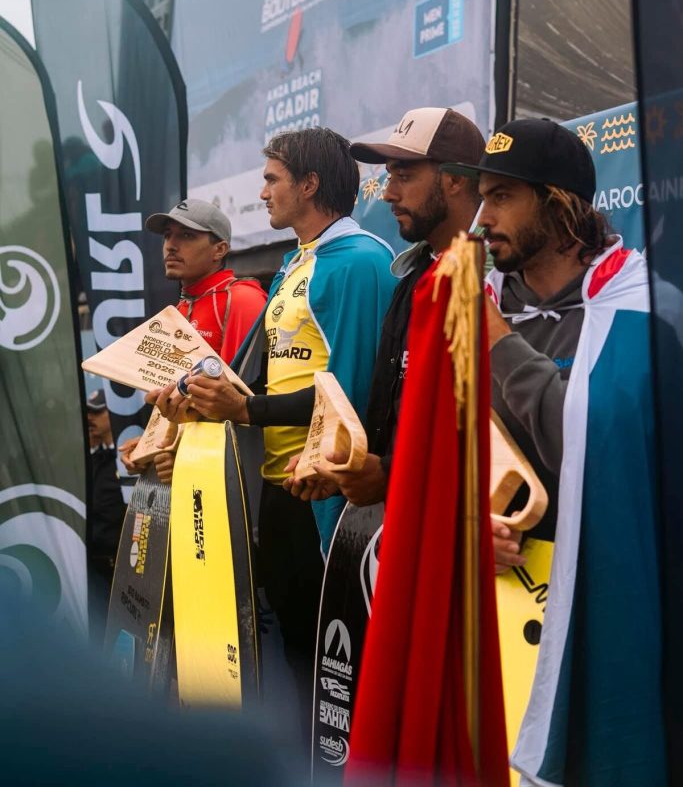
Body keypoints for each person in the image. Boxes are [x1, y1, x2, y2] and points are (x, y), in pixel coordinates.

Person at [148, 127, 396, 730]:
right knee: (298, 652)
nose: (262, 193)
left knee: (342, 662)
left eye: (271, 179)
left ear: (309, 185)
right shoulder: (295, 263)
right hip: (280, 488)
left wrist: (247, 410)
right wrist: (195, 399)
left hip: (332, 497)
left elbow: (351, 395)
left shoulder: (359, 262)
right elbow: (259, 380)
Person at [444, 117, 667, 786]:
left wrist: (499, 344)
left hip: (602, 609)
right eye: (481, 197)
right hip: (493, 603)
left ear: (560, 204)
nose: (483, 218)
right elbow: (447, 450)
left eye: (502, 197)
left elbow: (595, 451)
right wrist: (466, 520)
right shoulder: (474, 304)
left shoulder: (639, 305)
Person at [283, 106, 486, 507]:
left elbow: (498, 427)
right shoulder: (413, 276)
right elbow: (391, 411)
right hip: (404, 515)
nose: (388, 193)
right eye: (389, 176)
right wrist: (348, 468)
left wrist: (387, 474)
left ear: (456, 180)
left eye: (403, 176)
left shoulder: (496, 276)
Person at [119, 198, 267, 475]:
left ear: (219, 249)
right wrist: (149, 448)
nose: (171, 245)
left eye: (186, 236)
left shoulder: (242, 299)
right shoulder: (179, 310)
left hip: (225, 471)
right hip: (192, 466)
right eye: (167, 235)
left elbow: (242, 402)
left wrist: (182, 453)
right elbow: (178, 403)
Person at [86, 388, 126, 638]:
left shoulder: (128, 460)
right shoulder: (93, 459)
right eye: (88, 412)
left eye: (97, 412)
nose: (90, 417)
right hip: (92, 569)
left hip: (120, 571)